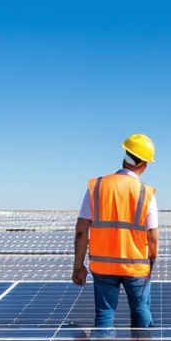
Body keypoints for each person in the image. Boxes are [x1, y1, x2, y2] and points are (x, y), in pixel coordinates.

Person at [72, 134, 160, 330]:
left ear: (125, 156)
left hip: (103, 266)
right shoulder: (146, 193)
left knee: (104, 315)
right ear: (144, 164)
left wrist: (78, 265)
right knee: (140, 310)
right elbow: (152, 235)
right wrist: (152, 259)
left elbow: (81, 230)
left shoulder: (98, 186)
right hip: (136, 266)